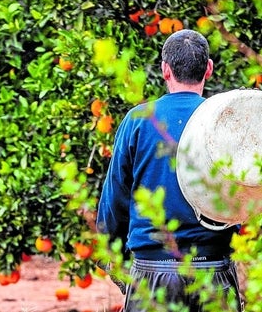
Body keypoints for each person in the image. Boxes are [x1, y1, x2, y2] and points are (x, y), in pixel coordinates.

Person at [96, 29, 243, 311]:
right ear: (208, 69)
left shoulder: (138, 121)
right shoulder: (224, 123)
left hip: (152, 273)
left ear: (165, 70)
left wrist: (114, 255)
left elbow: (115, 198)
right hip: (214, 272)